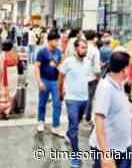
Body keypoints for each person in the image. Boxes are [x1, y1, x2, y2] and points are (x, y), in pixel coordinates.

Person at [89, 51, 132, 168]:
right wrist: (105, 154)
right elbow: (98, 121)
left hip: (123, 147)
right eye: (130, 66)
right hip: (108, 151)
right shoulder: (106, 88)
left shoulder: (119, 84)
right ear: (124, 69)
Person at [58, 39, 93, 167]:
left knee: (75, 123)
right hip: (71, 99)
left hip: (84, 99)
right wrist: (60, 92)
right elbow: (61, 77)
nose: (85, 50)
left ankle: (69, 134)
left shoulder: (88, 62)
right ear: (76, 48)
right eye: (83, 47)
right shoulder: (68, 62)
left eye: (86, 48)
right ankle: (75, 155)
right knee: (74, 127)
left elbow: (87, 78)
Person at [35, 29, 64, 137]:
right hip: (44, 80)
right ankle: (40, 121)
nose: (57, 43)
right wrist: (39, 82)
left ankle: (56, 126)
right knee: (42, 102)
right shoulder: (42, 52)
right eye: (55, 40)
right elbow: (37, 67)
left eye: (58, 41)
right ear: (49, 40)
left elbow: (60, 64)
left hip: (55, 81)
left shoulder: (58, 52)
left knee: (57, 104)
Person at [83, 30, 101, 123]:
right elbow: (96, 67)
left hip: (81, 76)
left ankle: (80, 115)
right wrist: (98, 78)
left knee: (82, 96)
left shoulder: (82, 47)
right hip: (91, 77)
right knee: (90, 98)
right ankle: (87, 117)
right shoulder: (95, 50)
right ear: (94, 38)